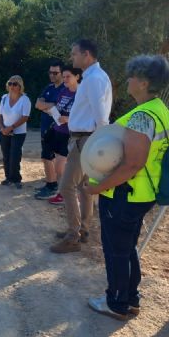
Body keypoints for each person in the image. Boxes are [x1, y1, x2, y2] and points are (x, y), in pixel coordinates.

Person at [84, 55, 169, 320]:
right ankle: (131, 299)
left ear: (144, 83)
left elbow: (132, 164)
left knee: (116, 251)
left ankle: (116, 303)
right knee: (127, 247)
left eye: (132, 77)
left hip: (125, 193)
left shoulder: (141, 117)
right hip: (143, 192)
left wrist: (97, 188)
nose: (128, 81)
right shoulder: (160, 109)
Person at [51, 39, 112, 254]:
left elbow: (101, 116)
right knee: (84, 187)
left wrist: (98, 143)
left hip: (86, 139)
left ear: (87, 54)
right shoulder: (95, 77)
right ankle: (82, 230)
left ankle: (73, 236)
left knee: (67, 186)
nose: (71, 57)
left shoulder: (94, 79)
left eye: (74, 53)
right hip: (86, 138)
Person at [37, 65, 83, 203]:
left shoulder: (82, 94)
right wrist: (51, 111)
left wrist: (68, 119)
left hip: (69, 134)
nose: (65, 79)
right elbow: (57, 107)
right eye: (63, 77)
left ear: (77, 77)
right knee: (47, 157)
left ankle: (66, 193)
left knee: (60, 166)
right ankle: (59, 190)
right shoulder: (63, 91)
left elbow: (85, 115)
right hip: (56, 129)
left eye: (68, 76)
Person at [34, 60, 64, 199]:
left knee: (56, 159)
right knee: (46, 157)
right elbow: (37, 104)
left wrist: (47, 106)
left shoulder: (65, 89)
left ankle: (56, 187)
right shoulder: (49, 87)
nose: (52, 75)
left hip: (59, 130)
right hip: (46, 128)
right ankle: (50, 184)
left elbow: (59, 108)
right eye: (50, 72)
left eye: (55, 73)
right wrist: (50, 105)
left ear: (62, 73)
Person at [0, 75, 31, 189]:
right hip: (4, 131)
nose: (12, 86)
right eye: (10, 83)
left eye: (15, 84)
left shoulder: (25, 99)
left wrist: (11, 127)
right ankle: (8, 178)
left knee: (15, 155)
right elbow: (0, 114)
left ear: (20, 86)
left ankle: (16, 178)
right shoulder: (4, 98)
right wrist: (2, 127)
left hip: (18, 132)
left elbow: (25, 117)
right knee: (6, 155)